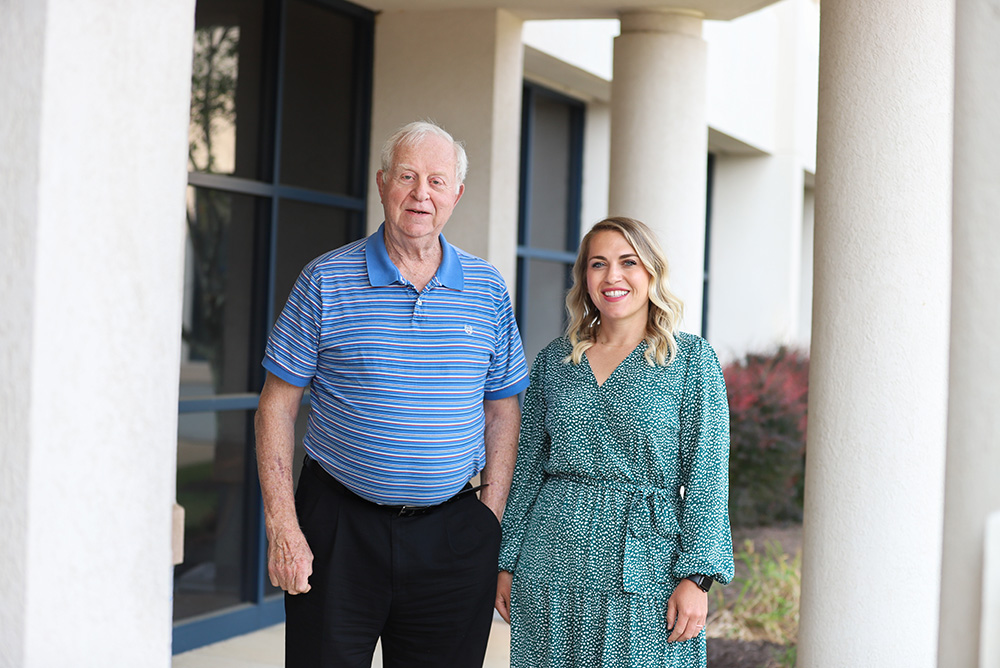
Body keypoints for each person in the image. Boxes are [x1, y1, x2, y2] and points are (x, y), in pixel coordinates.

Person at [255, 120, 529, 668]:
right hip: (337, 528)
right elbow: (276, 406)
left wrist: (489, 520)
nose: (420, 193)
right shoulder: (325, 279)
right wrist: (284, 528)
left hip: (452, 533)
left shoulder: (487, 288)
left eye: (436, 180)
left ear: (457, 193)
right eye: (407, 176)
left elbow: (502, 410)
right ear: (382, 183)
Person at [494, 217, 734, 667]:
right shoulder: (554, 361)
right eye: (598, 264)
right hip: (549, 562)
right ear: (584, 278)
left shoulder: (691, 361)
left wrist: (697, 578)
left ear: (650, 273)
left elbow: (708, 475)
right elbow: (527, 468)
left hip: (644, 567)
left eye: (628, 262)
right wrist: (506, 561)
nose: (613, 277)